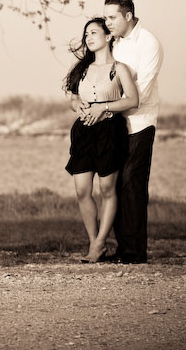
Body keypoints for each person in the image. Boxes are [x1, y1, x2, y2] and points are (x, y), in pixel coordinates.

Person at [65, 18, 139, 263]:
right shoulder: (82, 69)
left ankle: (97, 246)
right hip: (84, 132)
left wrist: (104, 107)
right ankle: (95, 240)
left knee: (107, 189)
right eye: (86, 34)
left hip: (109, 131)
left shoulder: (120, 69)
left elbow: (132, 100)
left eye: (94, 33)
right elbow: (73, 97)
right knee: (82, 190)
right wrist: (77, 105)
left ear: (108, 37)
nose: (88, 37)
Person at [103, 0, 163, 264]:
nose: (108, 22)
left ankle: (135, 251)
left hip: (140, 122)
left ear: (128, 15)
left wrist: (108, 108)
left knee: (132, 183)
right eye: (106, 17)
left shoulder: (149, 44)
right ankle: (121, 247)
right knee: (113, 184)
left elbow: (142, 90)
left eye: (112, 17)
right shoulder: (113, 43)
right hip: (114, 123)